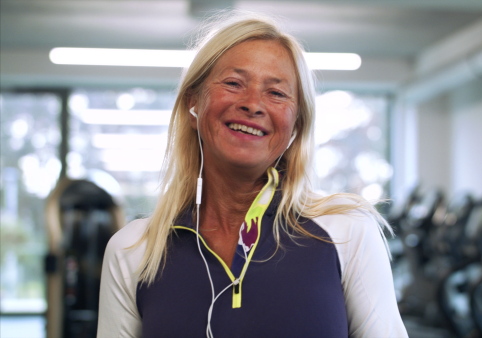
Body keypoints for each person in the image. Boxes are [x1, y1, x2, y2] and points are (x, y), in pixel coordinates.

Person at [98, 11, 408, 338]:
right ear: (194, 103)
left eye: (276, 93)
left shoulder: (346, 231)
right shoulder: (133, 250)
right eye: (234, 83)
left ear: (295, 126)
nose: (253, 104)